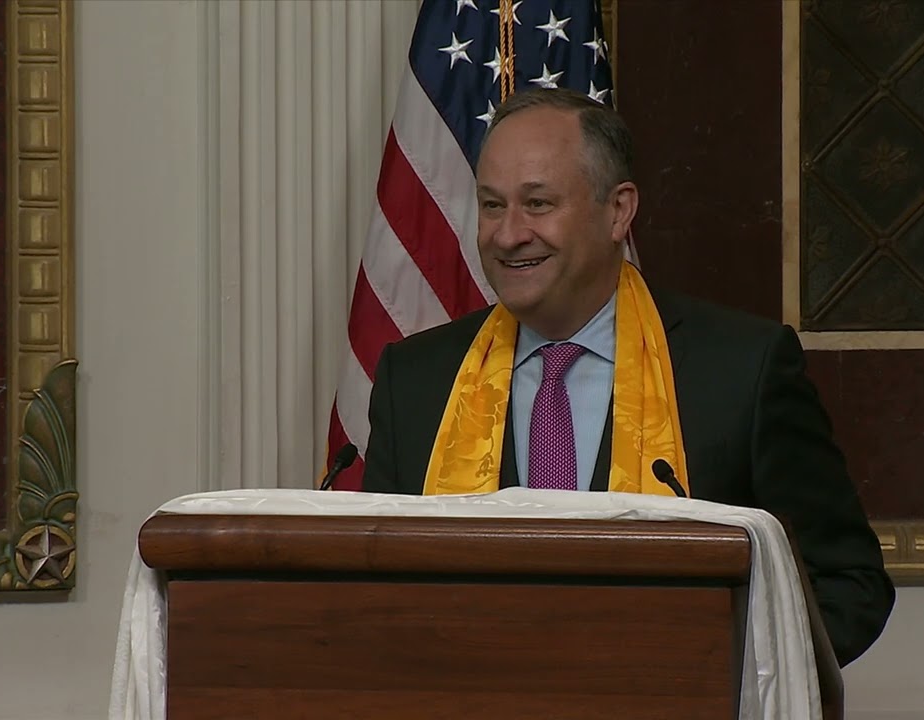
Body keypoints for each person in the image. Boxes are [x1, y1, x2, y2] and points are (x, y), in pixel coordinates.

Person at [361, 87, 893, 667]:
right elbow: (371, 593)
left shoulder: (743, 370)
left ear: (618, 211)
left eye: (537, 204)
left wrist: (724, 678)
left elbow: (848, 584)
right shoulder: (414, 382)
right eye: (492, 205)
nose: (507, 234)